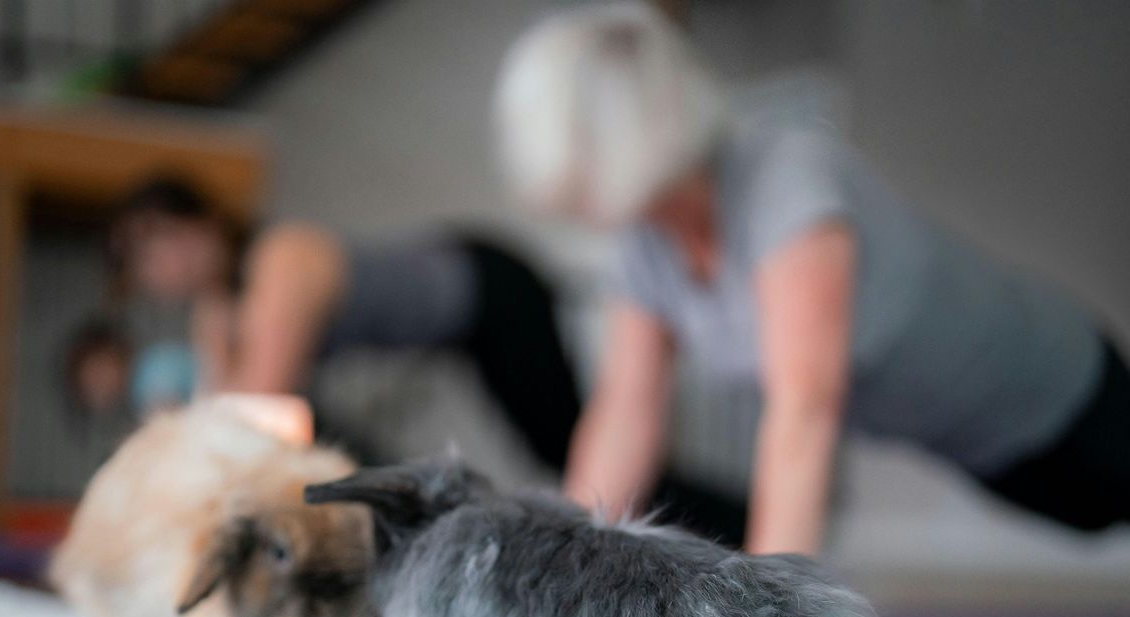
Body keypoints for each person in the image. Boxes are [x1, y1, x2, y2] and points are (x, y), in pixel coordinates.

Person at [493, 2, 1129, 555]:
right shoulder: (644, 243)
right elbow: (624, 415)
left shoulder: (786, 181)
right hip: (982, 447)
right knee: (1093, 518)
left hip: (1062, 388)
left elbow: (803, 412)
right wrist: (564, 563)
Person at [106, 177, 748, 538]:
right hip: (459, 315)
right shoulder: (221, 309)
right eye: (143, 262)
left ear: (207, 222)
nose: (163, 266)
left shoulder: (281, 258)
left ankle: (746, 521)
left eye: (166, 241)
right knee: (323, 445)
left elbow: (257, 414)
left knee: (571, 450)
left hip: (494, 291)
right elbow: (226, 431)